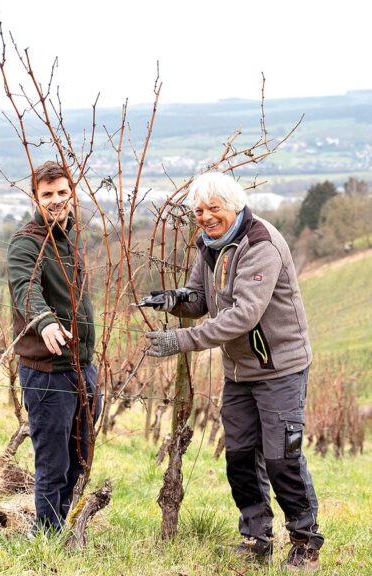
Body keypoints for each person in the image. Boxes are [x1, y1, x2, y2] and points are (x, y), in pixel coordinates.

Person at [142, 171, 324, 571]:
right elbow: (200, 299)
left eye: (213, 208)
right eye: (199, 210)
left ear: (236, 206)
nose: (205, 217)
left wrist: (181, 341)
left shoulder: (261, 244)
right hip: (240, 371)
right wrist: (173, 300)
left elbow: (244, 315)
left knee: (282, 459)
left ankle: (305, 540)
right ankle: (256, 539)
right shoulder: (209, 245)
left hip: (279, 368)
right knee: (240, 457)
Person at [6, 160, 100, 535]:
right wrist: (43, 321)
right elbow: (25, 288)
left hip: (83, 366)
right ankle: (46, 535)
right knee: (53, 461)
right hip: (47, 372)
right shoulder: (26, 242)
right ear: (35, 197)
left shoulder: (73, 236)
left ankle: (65, 526)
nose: (57, 200)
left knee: (80, 455)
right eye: (48, 194)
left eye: (63, 192)